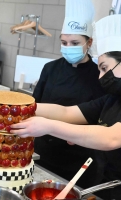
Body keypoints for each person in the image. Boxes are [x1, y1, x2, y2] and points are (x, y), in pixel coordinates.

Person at [11, 14, 121, 200]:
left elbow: (110, 138)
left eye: (104, 68)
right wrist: (20, 106)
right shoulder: (112, 100)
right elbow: (66, 112)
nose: (100, 76)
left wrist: (47, 126)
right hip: (106, 192)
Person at [32, 0, 105, 189]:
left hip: (79, 159)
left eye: (74, 43)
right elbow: (35, 106)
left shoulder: (100, 75)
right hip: (44, 152)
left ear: (89, 42)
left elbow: (102, 117)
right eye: (64, 43)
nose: (68, 47)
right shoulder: (50, 69)